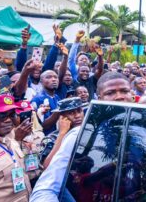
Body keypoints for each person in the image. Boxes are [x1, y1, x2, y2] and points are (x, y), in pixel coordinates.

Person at [30, 72, 133, 202]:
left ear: (132, 95)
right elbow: (47, 185)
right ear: (99, 99)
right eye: (110, 93)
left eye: (124, 91)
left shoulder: (144, 134)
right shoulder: (76, 135)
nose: (119, 97)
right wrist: (62, 134)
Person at [39, 97, 87, 169]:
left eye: (79, 111)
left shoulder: (87, 133)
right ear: (62, 117)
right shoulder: (51, 138)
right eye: (71, 113)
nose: (77, 116)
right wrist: (62, 134)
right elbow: (46, 166)